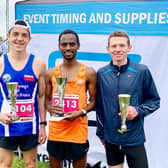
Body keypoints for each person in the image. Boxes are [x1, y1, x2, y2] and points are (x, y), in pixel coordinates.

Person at [96, 30, 160, 168]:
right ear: (108, 49)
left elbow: (154, 101)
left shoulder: (141, 71)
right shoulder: (102, 73)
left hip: (134, 138)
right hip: (111, 139)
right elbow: (100, 106)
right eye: (114, 46)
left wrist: (137, 111)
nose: (118, 49)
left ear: (129, 48)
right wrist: (101, 133)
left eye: (122, 45)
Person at [45, 29, 97, 168]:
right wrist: (49, 107)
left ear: (78, 46)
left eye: (72, 44)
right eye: (64, 44)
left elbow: (94, 101)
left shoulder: (88, 72)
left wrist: (80, 112)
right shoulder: (51, 73)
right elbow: (45, 99)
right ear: (59, 46)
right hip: (56, 131)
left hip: (77, 132)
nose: (68, 48)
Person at [0, 20, 47, 168]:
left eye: (23, 35)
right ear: (8, 36)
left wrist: (43, 126)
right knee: (5, 164)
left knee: (30, 164)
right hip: (7, 124)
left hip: (29, 126)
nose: (19, 39)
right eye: (15, 34)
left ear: (29, 39)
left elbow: (42, 96)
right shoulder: (1, 62)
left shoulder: (39, 64)